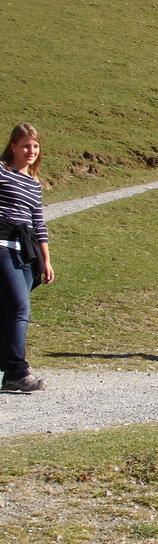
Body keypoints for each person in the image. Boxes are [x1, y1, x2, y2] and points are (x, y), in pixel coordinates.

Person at [0, 123, 54, 392]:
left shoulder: (34, 184)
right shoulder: (0, 172)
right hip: (1, 247)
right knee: (20, 308)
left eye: (35, 145)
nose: (31, 150)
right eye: (25, 145)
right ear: (13, 147)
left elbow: (38, 223)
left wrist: (46, 260)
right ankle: (17, 372)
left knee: (10, 310)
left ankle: (9, 368)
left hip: (23, 252)